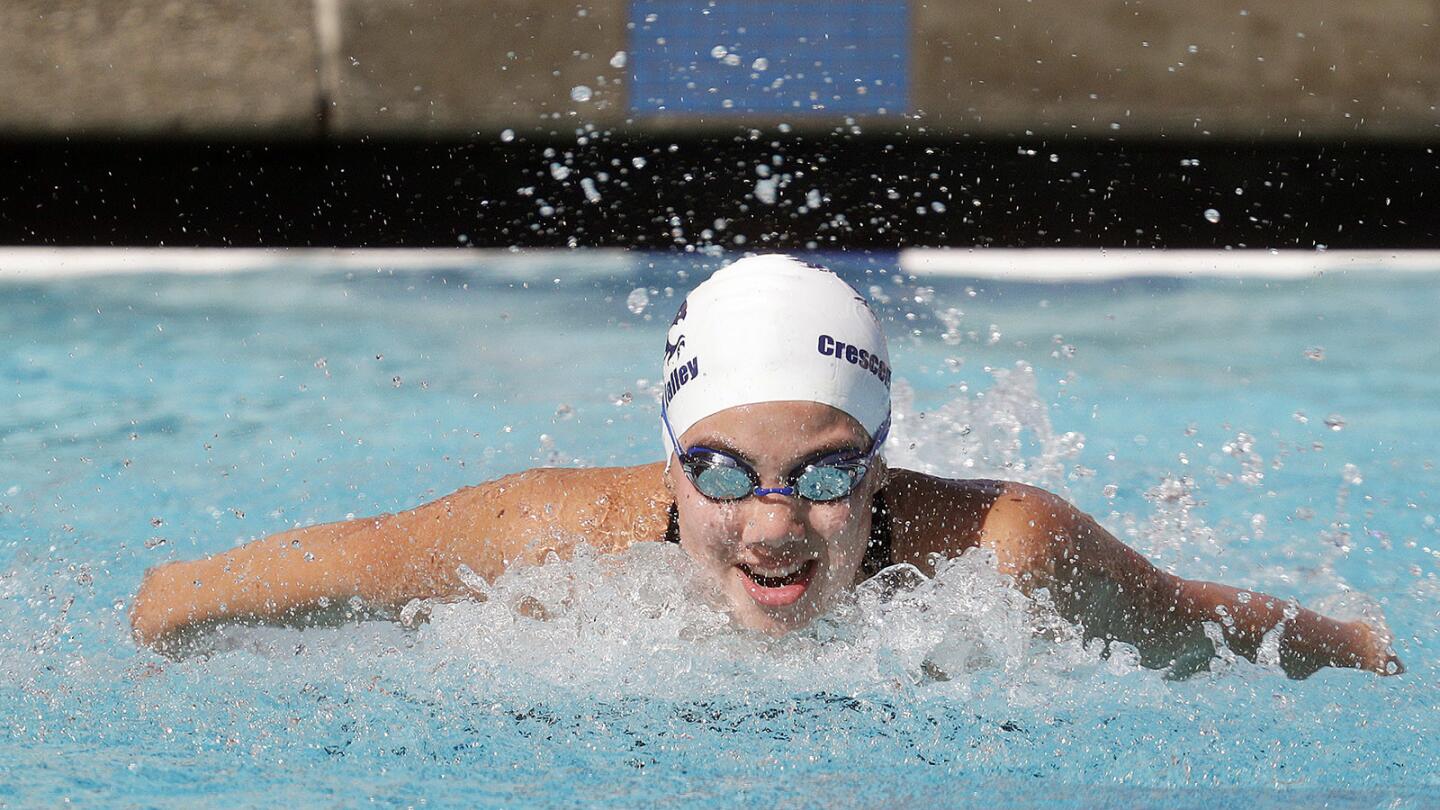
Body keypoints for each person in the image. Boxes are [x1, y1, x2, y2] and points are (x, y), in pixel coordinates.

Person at [130, 254, 1401, 678]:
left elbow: (1199, 632)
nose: (774, 525)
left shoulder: (1003, 546)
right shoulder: (539, 535)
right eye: (725, 474)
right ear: (671, 462)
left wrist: (1362, 648)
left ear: (885, 465)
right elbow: (177, 601)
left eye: (830, 473)